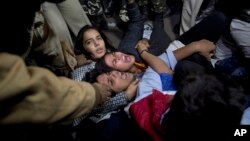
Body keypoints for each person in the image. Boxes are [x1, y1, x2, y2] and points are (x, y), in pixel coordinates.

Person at [97, 11, 227, 73]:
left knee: (218, 18)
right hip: (181, 67)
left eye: (114, 54)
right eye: (115, 61)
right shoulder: (136, 81)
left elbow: (135, 25)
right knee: (199, 59)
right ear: (116, 72)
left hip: (176, 47)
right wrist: (143, 52)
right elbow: (167, 68)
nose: (119, 55)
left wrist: (145, 41)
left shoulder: (128, 50)